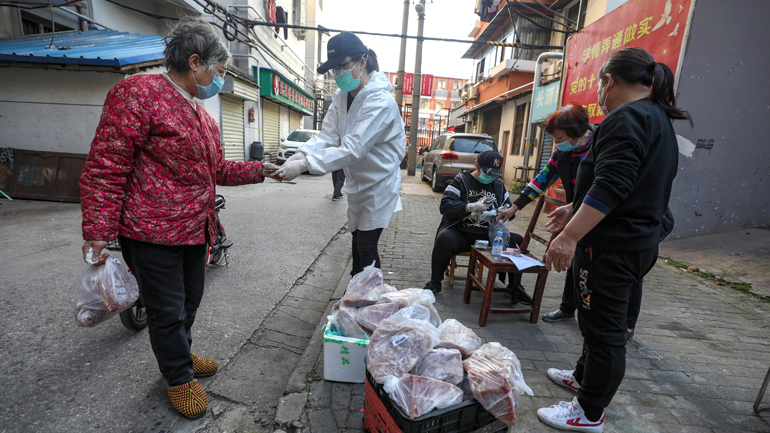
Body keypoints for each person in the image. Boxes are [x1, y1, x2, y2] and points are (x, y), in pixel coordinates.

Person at [79, 18, 269, 420]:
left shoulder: (203, 116)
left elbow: (218, 170)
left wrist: (265, 170)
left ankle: (179, 350)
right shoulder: (138, 93)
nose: (217, 80)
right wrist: (97, 228)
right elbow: (106, 165)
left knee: (189, 301)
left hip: (195, 230)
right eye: (217, 71)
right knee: (166, 309)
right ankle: (178, 376)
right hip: (151, 231)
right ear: (195, 61)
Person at [536, 47, 689, 432]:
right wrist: (574, 207)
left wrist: (569, 237)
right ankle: (583, 376)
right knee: (596, 322)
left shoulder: (627, 118)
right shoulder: (655, 118)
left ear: (608, 81)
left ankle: (588, 412)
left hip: (611, 250)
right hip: (634, 242)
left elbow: (613, 184)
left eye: (601, 86)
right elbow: (628, 185)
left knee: (605, 333)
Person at [274, 32, 405, 276]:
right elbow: (328, 136)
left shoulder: (380, 102)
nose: (338, 74)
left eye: (342, 66)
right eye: (334, 69)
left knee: (366, 248)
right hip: (357, 184)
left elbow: (353, 149)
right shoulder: (340, 96)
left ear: (362, 61)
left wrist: (305, 165)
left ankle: (367, 302)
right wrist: (300, 153)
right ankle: (357, 298)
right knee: (357, 243)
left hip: (379, 185)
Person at [497, 103, 596, 322]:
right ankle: (568, 308)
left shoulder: (602, 145)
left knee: (601, 267)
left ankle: (619, 322)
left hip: (600, 211)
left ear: (577, 133)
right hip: (577, 210)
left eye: (559, 138)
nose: (556, 143)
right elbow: (542, 179)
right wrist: (514, 207)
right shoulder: (563, 153)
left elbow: (604, 186)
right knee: (575, 260)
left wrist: (573, 207)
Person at [422, 151, 525, 295]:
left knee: (518, 241)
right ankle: (435, 283)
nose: (490, 178)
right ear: (477, 166)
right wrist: (469, 207)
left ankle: (514, 286)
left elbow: (510, 212)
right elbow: (445, 206)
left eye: (494, 175)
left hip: (490, 237)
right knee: (444, 238)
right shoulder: (461, 181)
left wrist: (501, 213)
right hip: (463, 235)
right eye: (487, 173)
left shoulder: (499, 186)